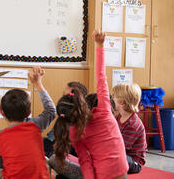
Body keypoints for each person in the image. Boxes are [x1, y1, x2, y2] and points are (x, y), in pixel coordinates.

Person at [53, 30, 128, 179]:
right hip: (120, 170)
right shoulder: (104, 110)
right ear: (82, 101)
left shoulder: (74, 131)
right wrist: (100, 45)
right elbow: (101, 77)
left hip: (101, 174)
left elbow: (85, 161)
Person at [0, 66, 56, 179]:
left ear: (1, 112)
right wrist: (38, 83)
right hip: (39, 176)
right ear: (29, 113)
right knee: (45, 159)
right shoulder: (35, 126)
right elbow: (51, 111)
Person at [45, 82, 88, 157]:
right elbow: (50, 142)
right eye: (64, 96)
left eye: (70, 97)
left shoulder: (87, 124)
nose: (65, 100)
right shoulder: (62, 118)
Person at [112, 83, 147, 174]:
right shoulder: (119, 117)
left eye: (113, 98)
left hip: (133, 162)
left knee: (112, 155)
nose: (111, 100)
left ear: (121, 102)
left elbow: (120, 147)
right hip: (122, 154)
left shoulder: (132, 124)